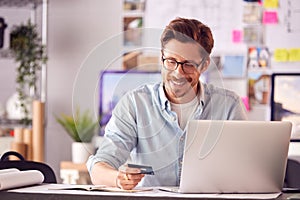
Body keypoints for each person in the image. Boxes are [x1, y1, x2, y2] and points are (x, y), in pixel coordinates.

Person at [86, 17, 247, 190]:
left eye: (188, 64)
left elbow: (248, 167)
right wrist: (118, 179)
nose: (178, 73)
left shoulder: (229, 106)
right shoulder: (135, 104)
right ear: (161, 58)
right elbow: (99, 167)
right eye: (171, 61)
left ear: (204, 65)